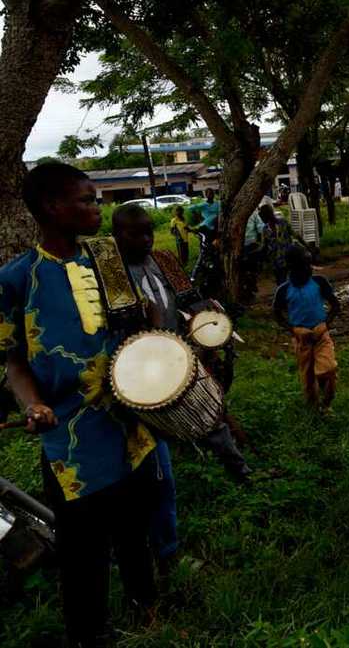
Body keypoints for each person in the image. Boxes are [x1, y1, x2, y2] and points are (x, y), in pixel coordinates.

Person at [0, 163, 158, 647]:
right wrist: (33, 404)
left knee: (135, 527)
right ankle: (90, 633)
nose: (98, 208)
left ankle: (146, 605)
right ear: (52, 207)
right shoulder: (16, 278)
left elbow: (135, 326)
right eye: (87, 200)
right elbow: (13, 362)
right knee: (82, 545)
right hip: (69, 439)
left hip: (128, 421)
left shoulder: (106, 257)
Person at [111, 205, 252, 572]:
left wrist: (211, 321)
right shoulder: (110, 274)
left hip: (181, 355)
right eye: (136, 234)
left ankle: (241, 470)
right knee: (155, 448)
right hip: (141, 369)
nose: (145, 240)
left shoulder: (164, 260)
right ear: (117, 236)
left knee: (210, 415)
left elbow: (191, 299)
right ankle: (161, 539)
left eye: (148, 232)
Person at [273, 245, 340, 411]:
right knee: (308, 377)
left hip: (321, 335)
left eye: (309, 265)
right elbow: (276, 314)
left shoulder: (319, 282)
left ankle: (327, 403)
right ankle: (314, 409)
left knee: (328, 369)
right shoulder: (284, 290)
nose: (309, 269)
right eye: (304, 266)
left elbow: (335, 305)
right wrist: (294, 330)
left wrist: (325, 325)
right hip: (302, 339)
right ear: (292, 268)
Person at [260, 203, 297, 285]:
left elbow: (296, 235)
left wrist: (307, 247)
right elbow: (264, 246)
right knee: (281, 281)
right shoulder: (265, 229)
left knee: (284, 281)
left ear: (266, 216)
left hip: (287, 257)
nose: (261, 218)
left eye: (262, 216)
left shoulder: (283, 223)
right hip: (276, 261)